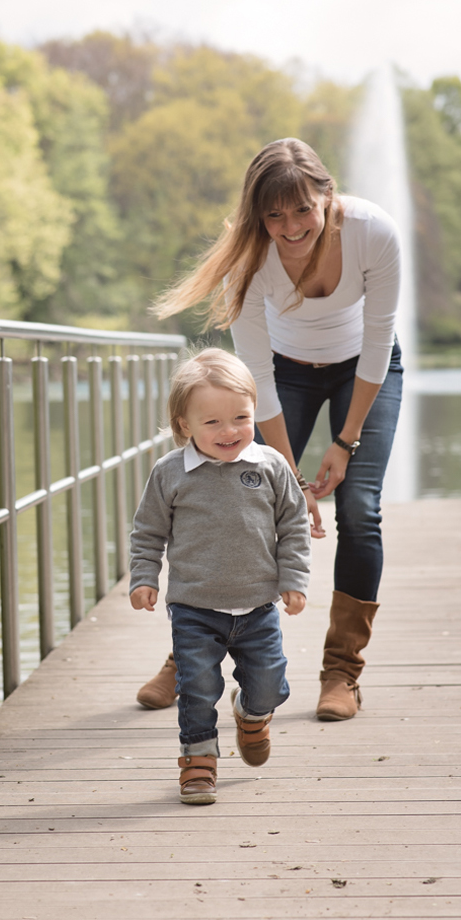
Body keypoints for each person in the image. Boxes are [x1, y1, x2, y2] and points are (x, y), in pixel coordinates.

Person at [138, 138, 402, 722]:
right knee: (236, 495)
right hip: (284, 375)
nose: (291, 227)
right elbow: (257, 374)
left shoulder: (373, 233)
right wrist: (291, 479)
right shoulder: (250, 259)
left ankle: (342, 672)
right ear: (258, 215)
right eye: (274, 215)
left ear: (327, 196)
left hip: (364, 370)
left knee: (360, 509)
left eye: (303, 209)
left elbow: (379, 340)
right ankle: (188, 657)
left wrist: (345, 442)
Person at [129, 348, 309, 804]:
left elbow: (293, 526)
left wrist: (294, 579)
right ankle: (198, 763)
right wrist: (144, 576)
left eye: (241, 418)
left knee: (269, 685)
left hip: (258, 605)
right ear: (184, 424)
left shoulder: (270, 466)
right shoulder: (170, 472)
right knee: (197, 688)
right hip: (194, 606)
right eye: (212, 422)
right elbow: (148, 531)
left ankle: (252, 715)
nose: (229, 431)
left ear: (254, 411)